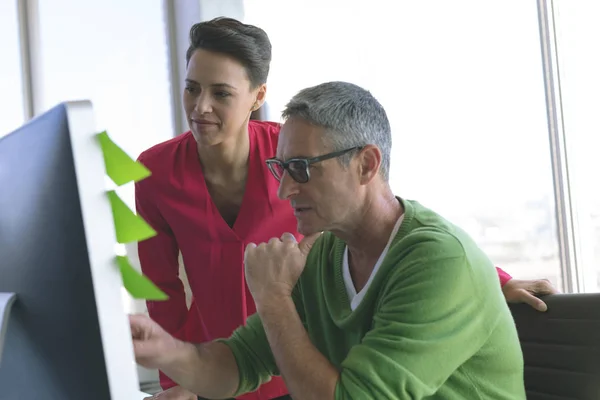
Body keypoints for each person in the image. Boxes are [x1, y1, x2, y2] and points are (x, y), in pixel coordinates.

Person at [135, 18, 556, 400]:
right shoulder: (323, 256)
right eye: (192, 88)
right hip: (271, 366)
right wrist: (166, 353)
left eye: (299, 169)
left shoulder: (433, 259)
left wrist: (489, 279)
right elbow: (225, 353)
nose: (284, 188)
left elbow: (410, 228)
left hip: (304, 378)